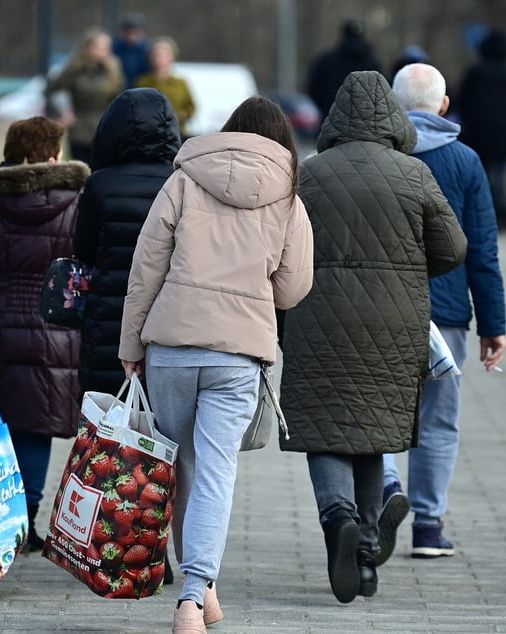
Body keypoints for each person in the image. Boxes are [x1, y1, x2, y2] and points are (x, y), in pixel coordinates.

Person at [119, 95, 314, 633]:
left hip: (173, 349)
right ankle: (191, 598)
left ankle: (200, 588)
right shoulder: (289, 197)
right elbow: (293, 289)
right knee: (214, 471)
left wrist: (130, 344)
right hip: (237, 354)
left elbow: (146, 267)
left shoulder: (184, 179)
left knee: (182, 470)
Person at [280, 71, 467, 604]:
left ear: (337, 119)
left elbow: (283, 245)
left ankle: (337, 518)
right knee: (372, 431)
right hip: (394, 319)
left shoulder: (310, 174)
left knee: (326, 427)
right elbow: (452, 248)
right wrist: (403, 268)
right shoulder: (415, 174)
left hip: (316, 314)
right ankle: (364, 554)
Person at [378, 63, 506, 566]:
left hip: (385, 308)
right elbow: (483, 251)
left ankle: (386, 485)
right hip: (447, 314)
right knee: (438, 422)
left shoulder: (381, 155)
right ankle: (429, 527)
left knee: (381, 410)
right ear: (445, 106)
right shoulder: (466, 162)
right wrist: (493, 325)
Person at [0, 116, 89, 552]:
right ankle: (25, 522)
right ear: (51, 155)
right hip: (55, 334)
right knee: (36, 428)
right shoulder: (76, 201)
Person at [74, 87, 182, 586]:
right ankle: (165, 545)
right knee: (168, 441)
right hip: (166, 326)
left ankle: (111, 541)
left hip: (110, 327)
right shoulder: (181, 181)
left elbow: (84, 250)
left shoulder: (99, 185)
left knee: (112, 441)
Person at [457, 29, 506, 233]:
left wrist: (470, 122)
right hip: (503, 133)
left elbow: (463, 102)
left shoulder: (475, 72)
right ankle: (503, 213)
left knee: (481, 176)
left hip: (478, 133)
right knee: (501, 174)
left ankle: (483, 215)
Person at [45, 27, 123, 164]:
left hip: (104, 129)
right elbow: (51, 91)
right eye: (102, 47)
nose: (107, 51)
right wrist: (62, 113)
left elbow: (120, 99)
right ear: (89, 48)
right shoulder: (74, 69)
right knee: (81, 170)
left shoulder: (113, 71)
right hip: (79, 130)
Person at [306, 19, 382, 124]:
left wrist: (326, 109)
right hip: (366, 124)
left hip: (331, 121)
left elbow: (313, 89)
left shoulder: (326, 61)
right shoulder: (374, 64)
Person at [135, 37, 196, 137]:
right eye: (155, 55)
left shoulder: (181, 83)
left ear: (172, 57)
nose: (159, 59)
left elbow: (191, 108)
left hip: (177, 133)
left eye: (163, 55)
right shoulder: (143, 82)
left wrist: (179, 116)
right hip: (150, 134)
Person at [112, 12, 151, 89]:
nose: (131, 34)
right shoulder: (115, 47)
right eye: (128, 31)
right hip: (119, 88)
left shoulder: (148, 49)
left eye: (135, 31)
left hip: (142, 87)